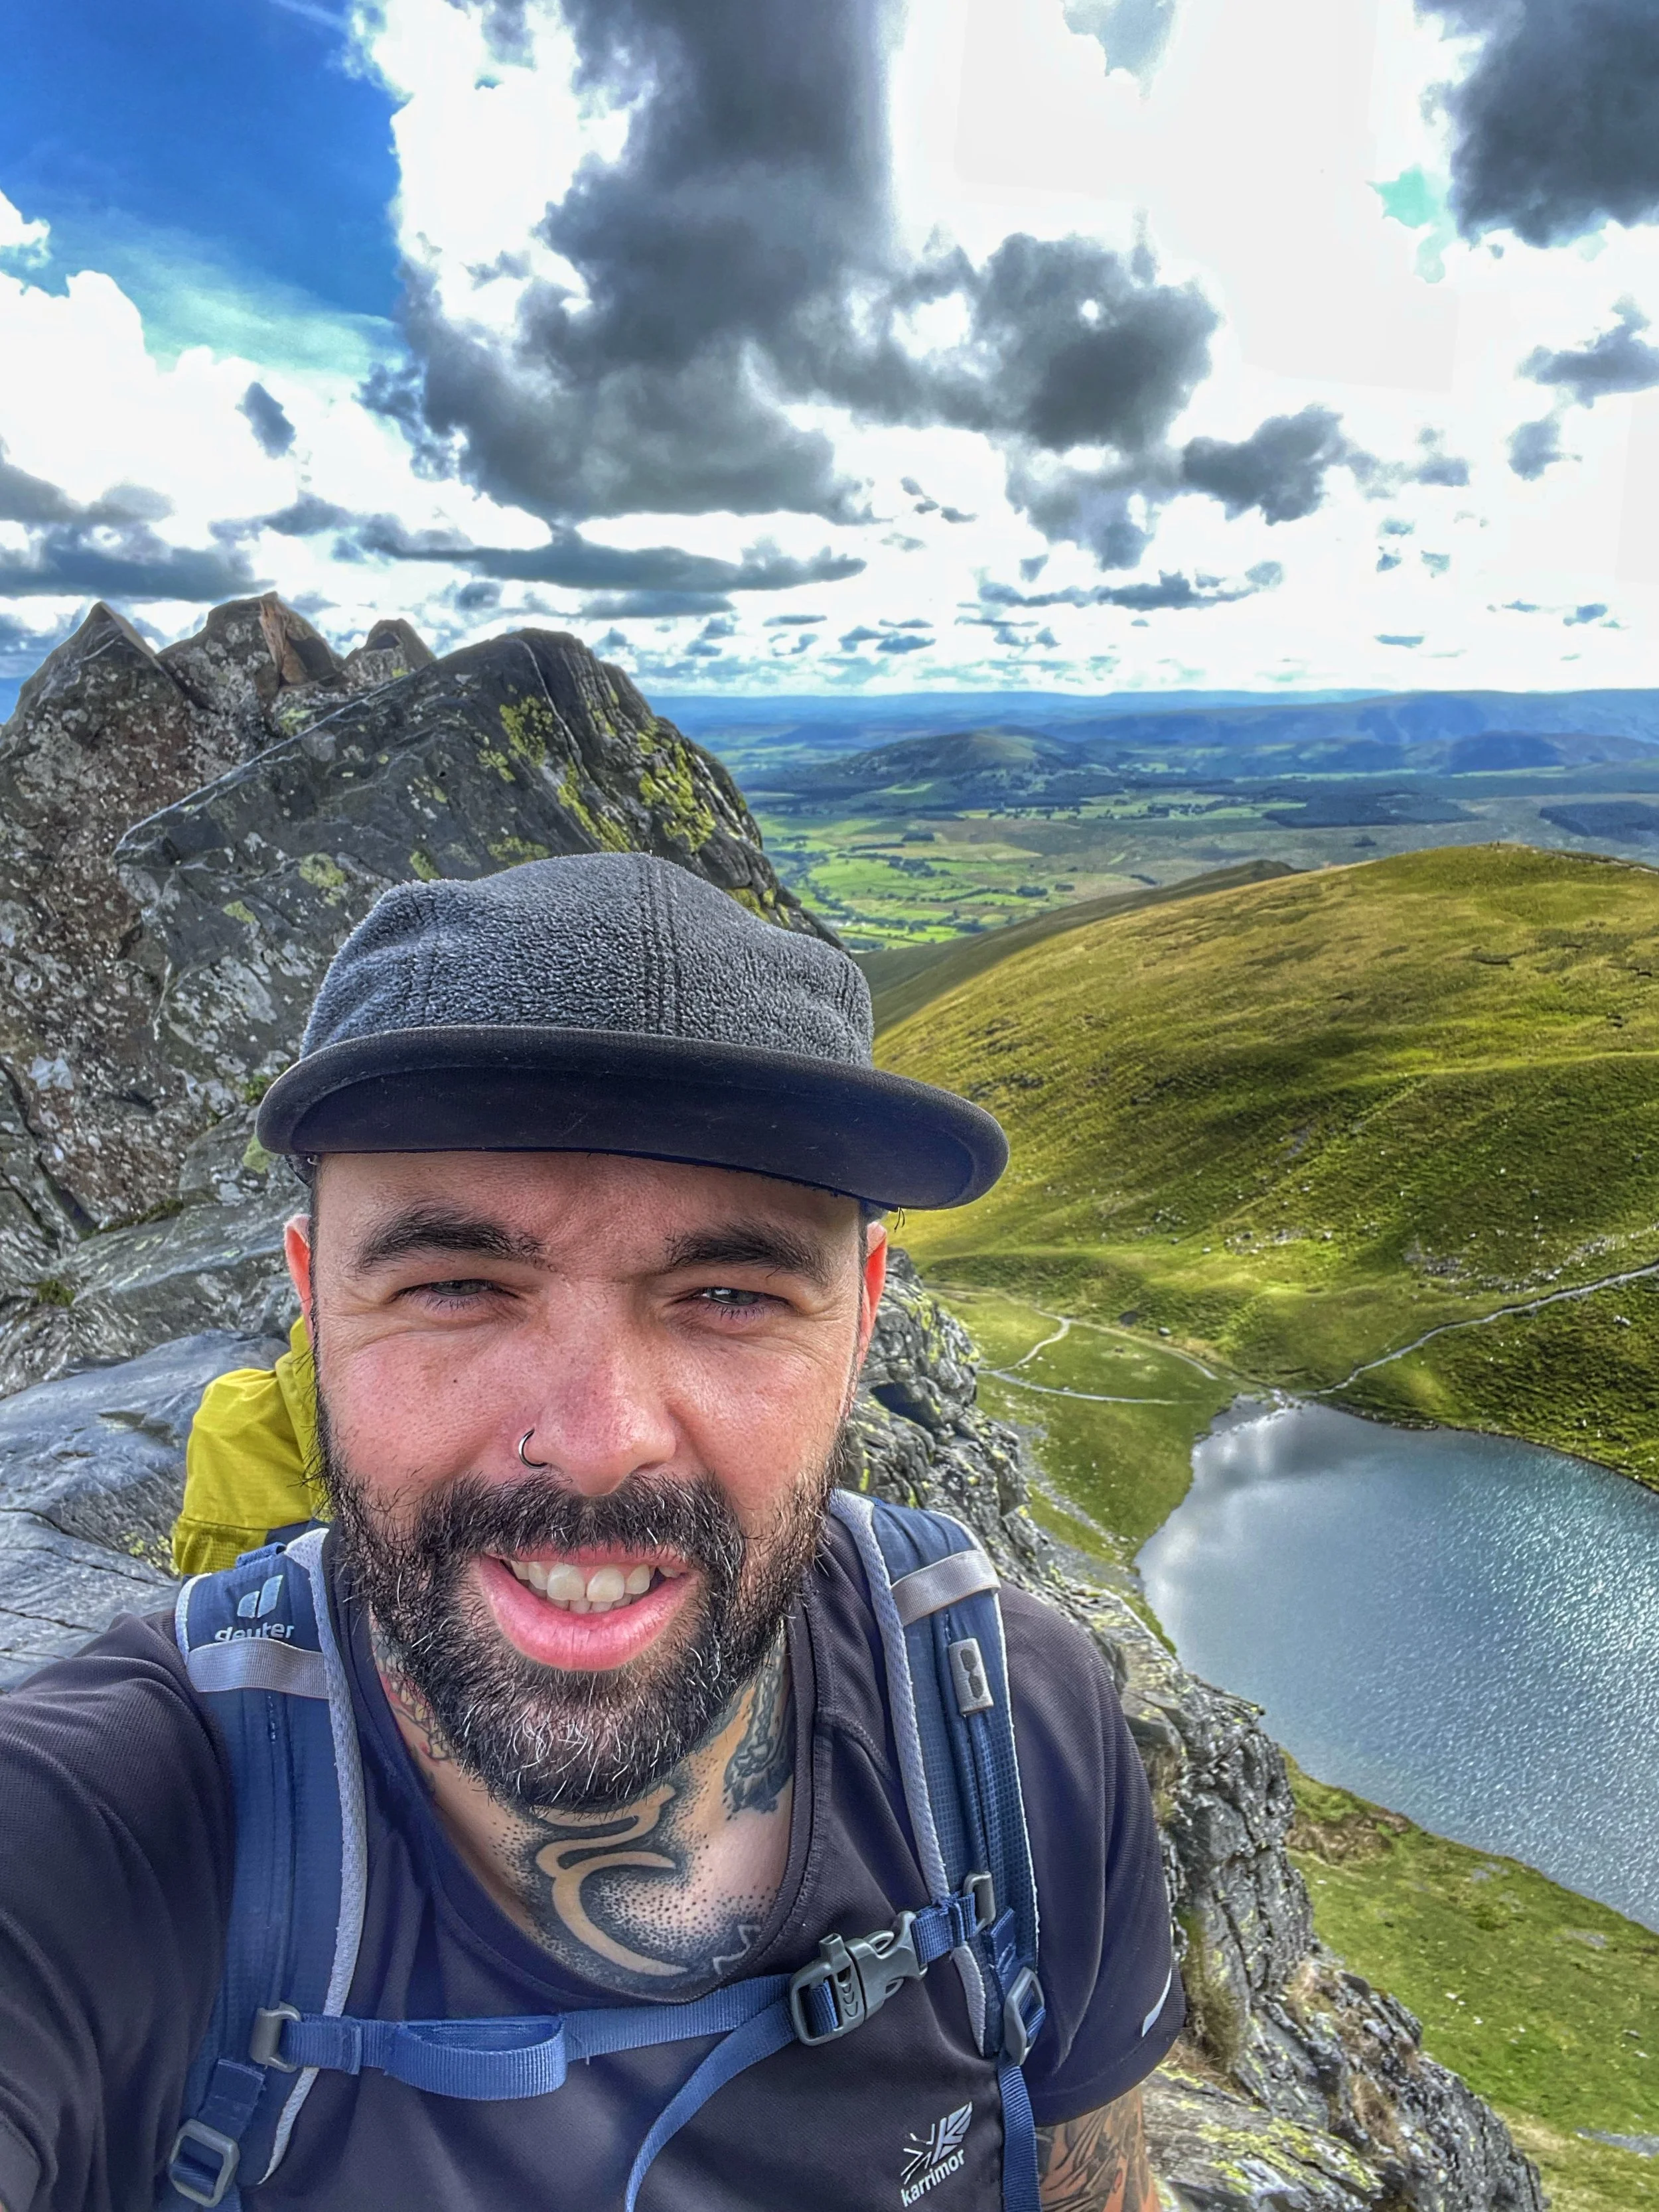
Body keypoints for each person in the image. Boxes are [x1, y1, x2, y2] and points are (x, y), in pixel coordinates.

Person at [0, 854, 1182, 2211]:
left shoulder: (1012, 1729)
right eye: (457, 1284)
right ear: (314, 1296)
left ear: (859, 1317)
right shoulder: (86, 1841)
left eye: (730, 1292)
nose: (597, 1431)